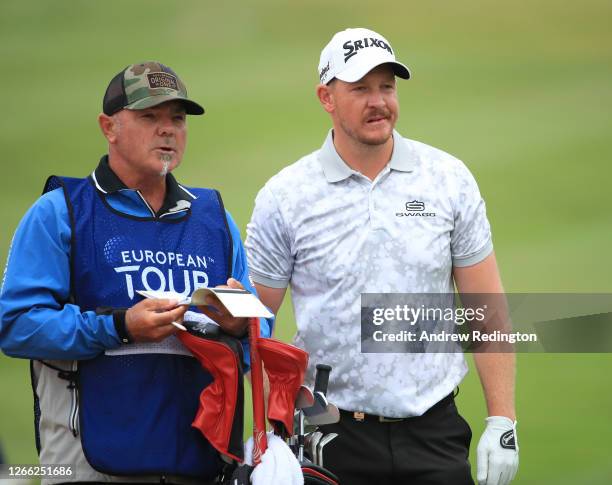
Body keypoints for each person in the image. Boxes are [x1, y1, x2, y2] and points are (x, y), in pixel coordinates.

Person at [245, 28, 519, 485]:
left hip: (435, 433)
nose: (379, 101)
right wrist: (263, 434)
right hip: (330, 436)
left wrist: (502, 421)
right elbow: (255, 325)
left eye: (386, 86)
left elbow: (486, 309)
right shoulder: (286, 196)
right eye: (360, 89)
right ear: (326, 97)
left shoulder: (447, 180)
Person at [0, 61, 271, 485]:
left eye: (177, 119)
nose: (168, 130)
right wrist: (121, 326)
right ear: (109, 127)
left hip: (200, 466)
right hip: (88, 466)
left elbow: (262, 338)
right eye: (150, 117)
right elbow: (16, 325)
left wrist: (240, 327)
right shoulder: (60, 212)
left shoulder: (213, 218)